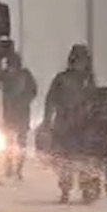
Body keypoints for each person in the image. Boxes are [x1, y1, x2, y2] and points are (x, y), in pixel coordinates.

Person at [41, 44, 96, 203]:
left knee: (85, 158)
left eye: (83, 60)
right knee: (65, 158)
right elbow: (50, 100)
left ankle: (86, 189)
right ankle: (65, 189)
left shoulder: (88, 80)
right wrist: (47, 121)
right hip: (64, 124)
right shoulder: (62, 79)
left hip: (84, 124)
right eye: (78, 60)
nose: (81, 63)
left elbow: (94, 99)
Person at [2, 51, 38, 180]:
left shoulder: (25, 75)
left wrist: (24, 101)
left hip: (21, 114)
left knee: (20, 144)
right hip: (8, 114)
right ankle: (9, 167)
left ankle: (18, 169)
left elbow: (32, 91)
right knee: (8, 143)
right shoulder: (4, 76)